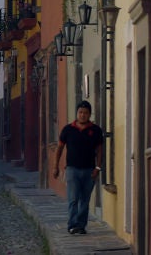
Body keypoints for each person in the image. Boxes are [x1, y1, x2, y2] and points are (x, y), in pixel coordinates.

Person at [53, 100, 104, 235]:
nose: (83, 115)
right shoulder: (68, 130)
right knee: (73, 199)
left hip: (89, 171)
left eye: (85, 113)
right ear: (77, 113)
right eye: (80, 112)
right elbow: (59, 148)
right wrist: (55, 167)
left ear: (89, 114)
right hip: (72, 170)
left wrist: (98, 168)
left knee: (85, 200)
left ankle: (81, 226)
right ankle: (72, 225)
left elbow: (100, 150)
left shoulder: (96, 130)